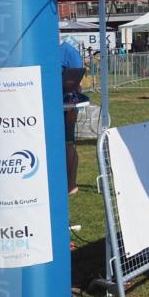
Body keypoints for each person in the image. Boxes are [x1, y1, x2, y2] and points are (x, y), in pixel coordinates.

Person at [60, 39, 88, 195]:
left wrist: (72, 108)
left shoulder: (69, 51)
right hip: (46, 107)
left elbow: (77, 83)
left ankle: (71, 185)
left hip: (66, 108)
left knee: (68, 144)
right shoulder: (42, 48)